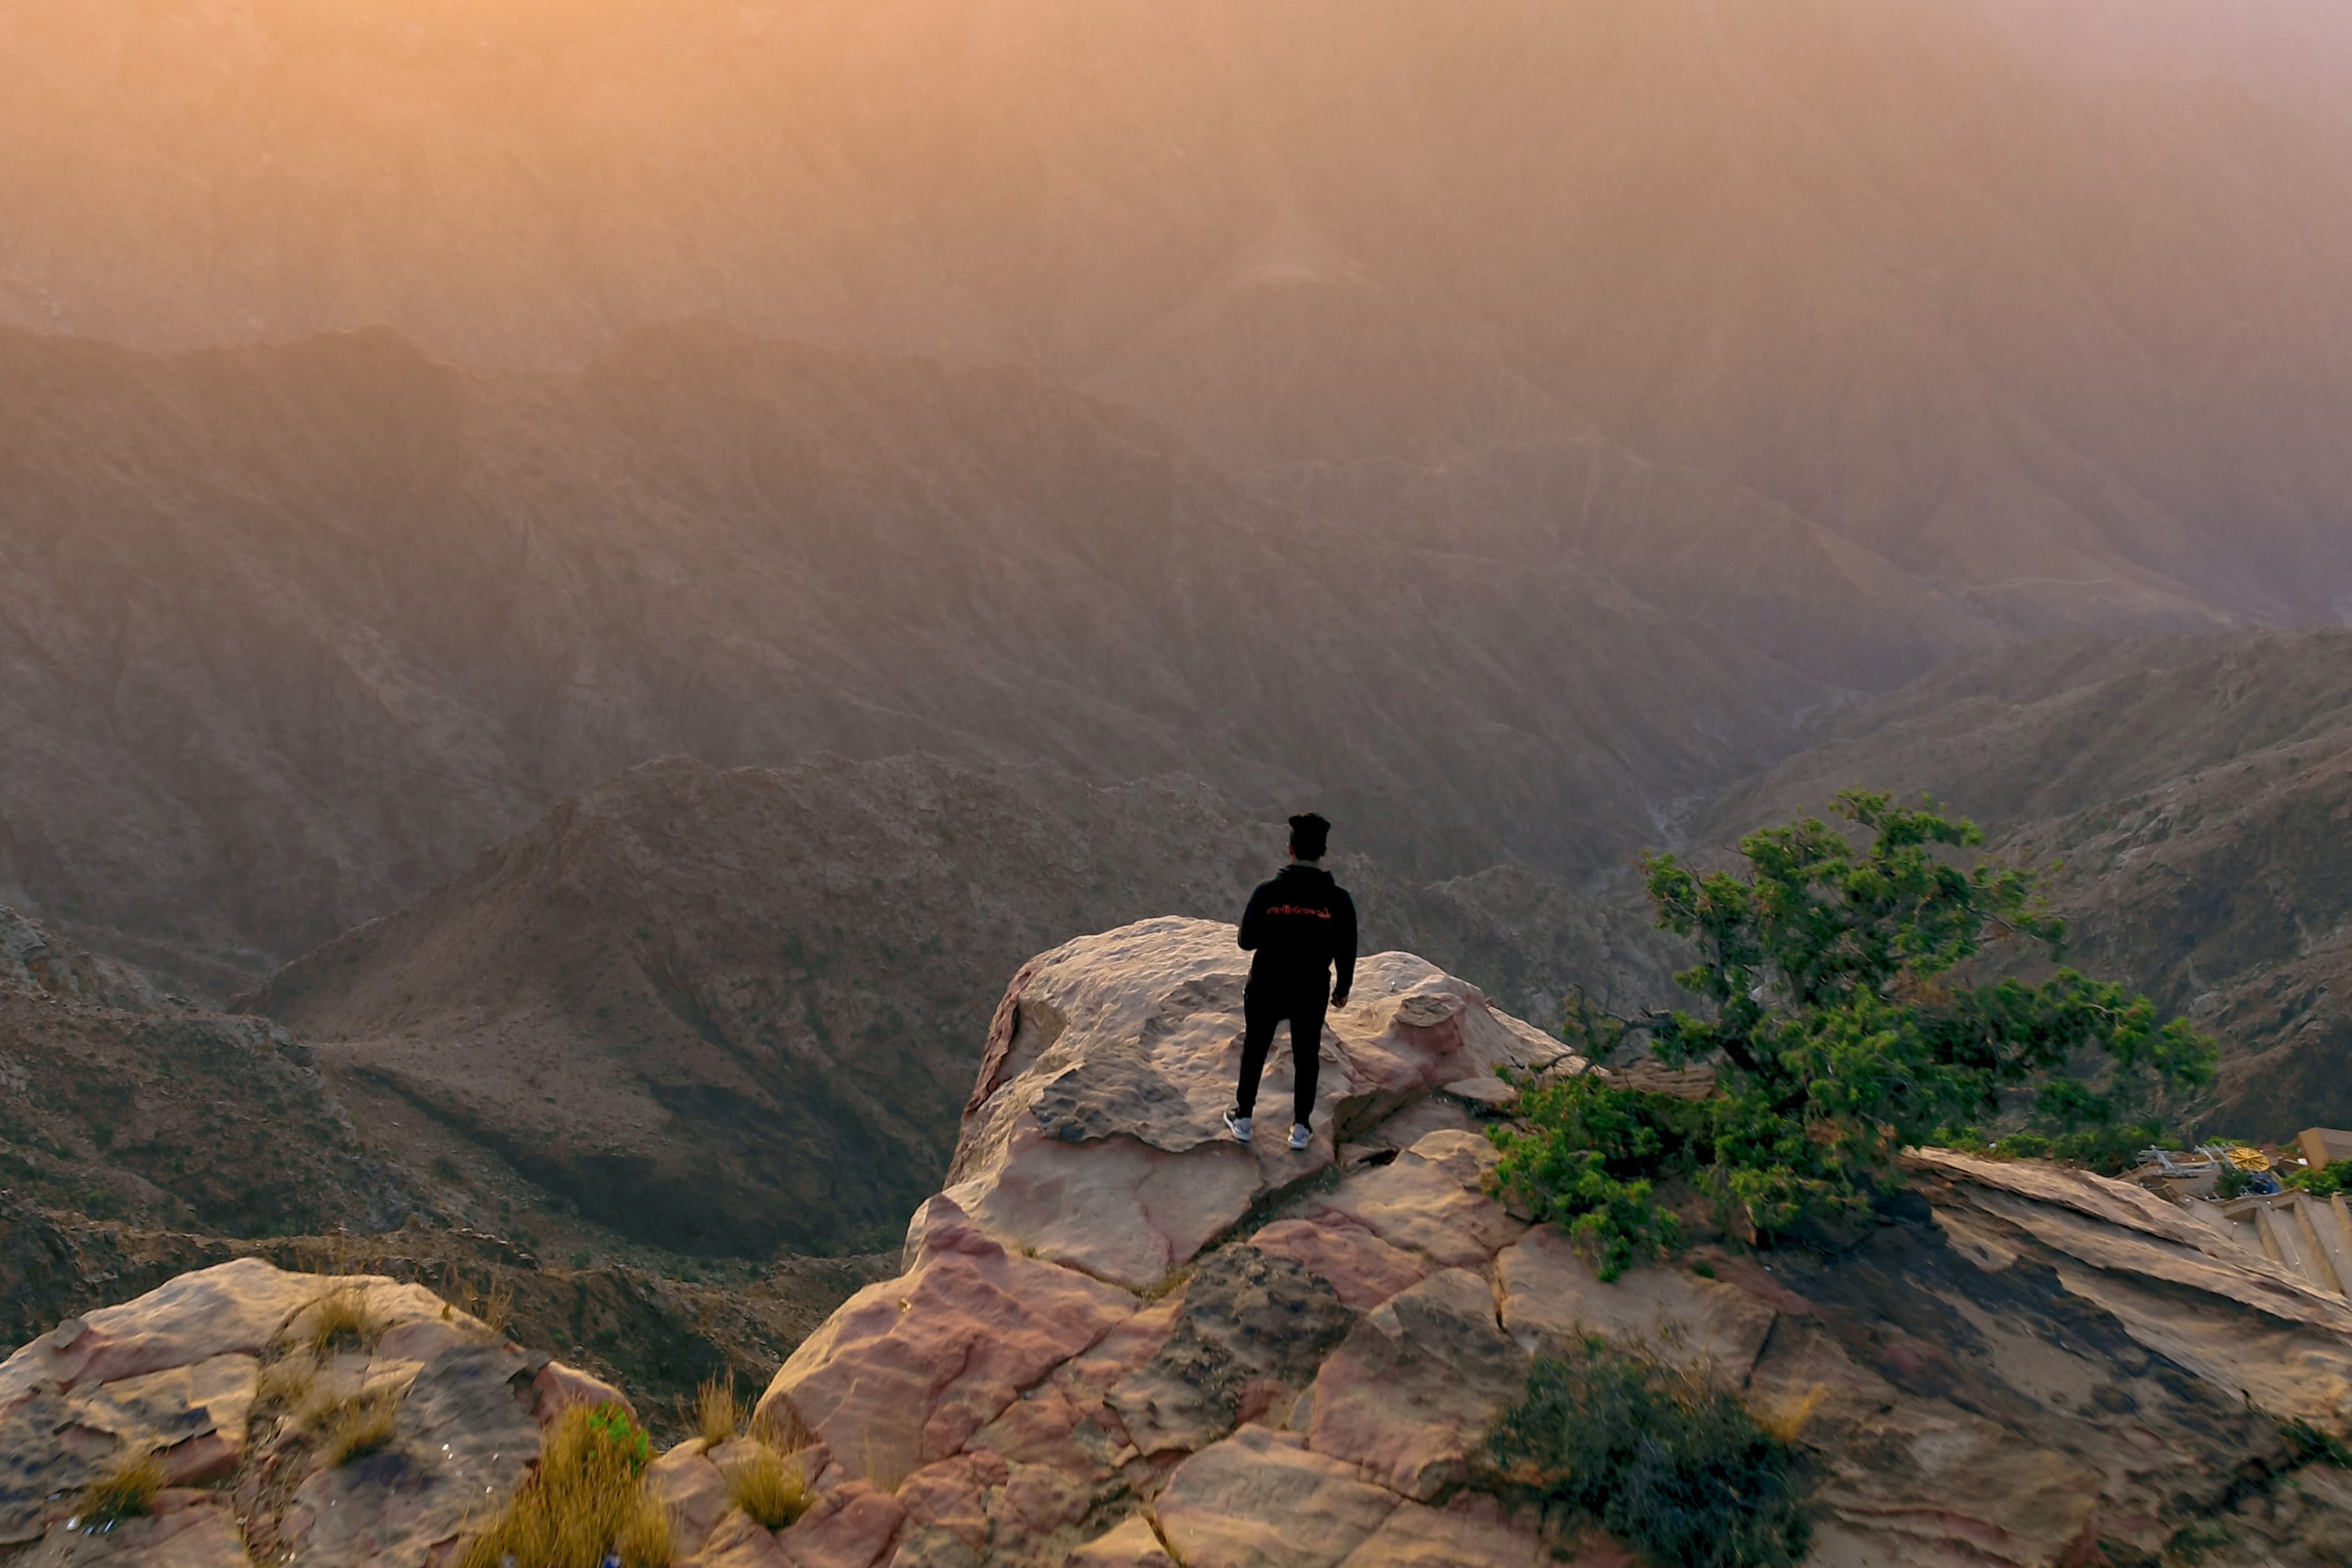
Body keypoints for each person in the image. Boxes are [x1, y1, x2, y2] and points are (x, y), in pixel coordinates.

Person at [1226, 812, 1357, 1152]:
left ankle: (1243, 1118)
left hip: (1267, 984)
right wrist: (1342, 991)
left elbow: (1246, 941)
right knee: (1306, 1055)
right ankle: (1300, 1127)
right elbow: (1347, 949)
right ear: (1323, 852)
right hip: (1310, 989)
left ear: (1290, 850)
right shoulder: (1339, 900)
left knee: (1255, 1048)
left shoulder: (1268, 893)